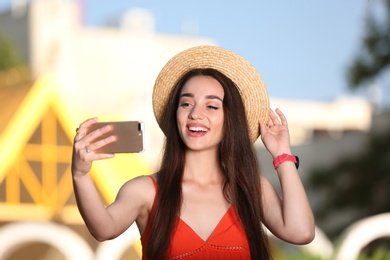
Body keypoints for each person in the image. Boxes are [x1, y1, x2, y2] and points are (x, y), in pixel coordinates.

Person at [72, 45, 315, 260]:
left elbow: (301, 232)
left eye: (211, 106)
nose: (195, 114)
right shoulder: (144, 191)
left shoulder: (251, 188)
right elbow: (103, 229)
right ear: (175, 114)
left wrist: (282, 155)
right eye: (186, 103)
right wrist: (80, 175)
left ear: (230, 119)